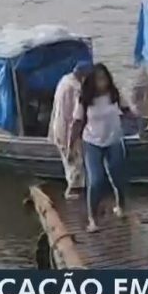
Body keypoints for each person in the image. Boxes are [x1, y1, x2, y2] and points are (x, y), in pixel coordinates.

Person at [70, 63, 133, 232]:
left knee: (117, 176)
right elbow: (77, 122)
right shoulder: (85, 99)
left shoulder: (115, 94)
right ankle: (92, 218)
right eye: (98, 79)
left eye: (104, 78)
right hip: (92, 142)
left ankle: (121, 205)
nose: (102, 82)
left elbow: (127, 111)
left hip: (114, 139)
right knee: (96, 179)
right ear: (92, 81)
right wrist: (71, 144)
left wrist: (139, 124)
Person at [49, 60, 92, 199]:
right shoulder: (76, 88)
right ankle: (74, 194)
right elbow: (77, 120)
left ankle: (75, 191)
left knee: (69, 163)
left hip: (58, 127)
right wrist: (71, 142)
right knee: (74, 163)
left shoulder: (64, 80)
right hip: (68, 130)